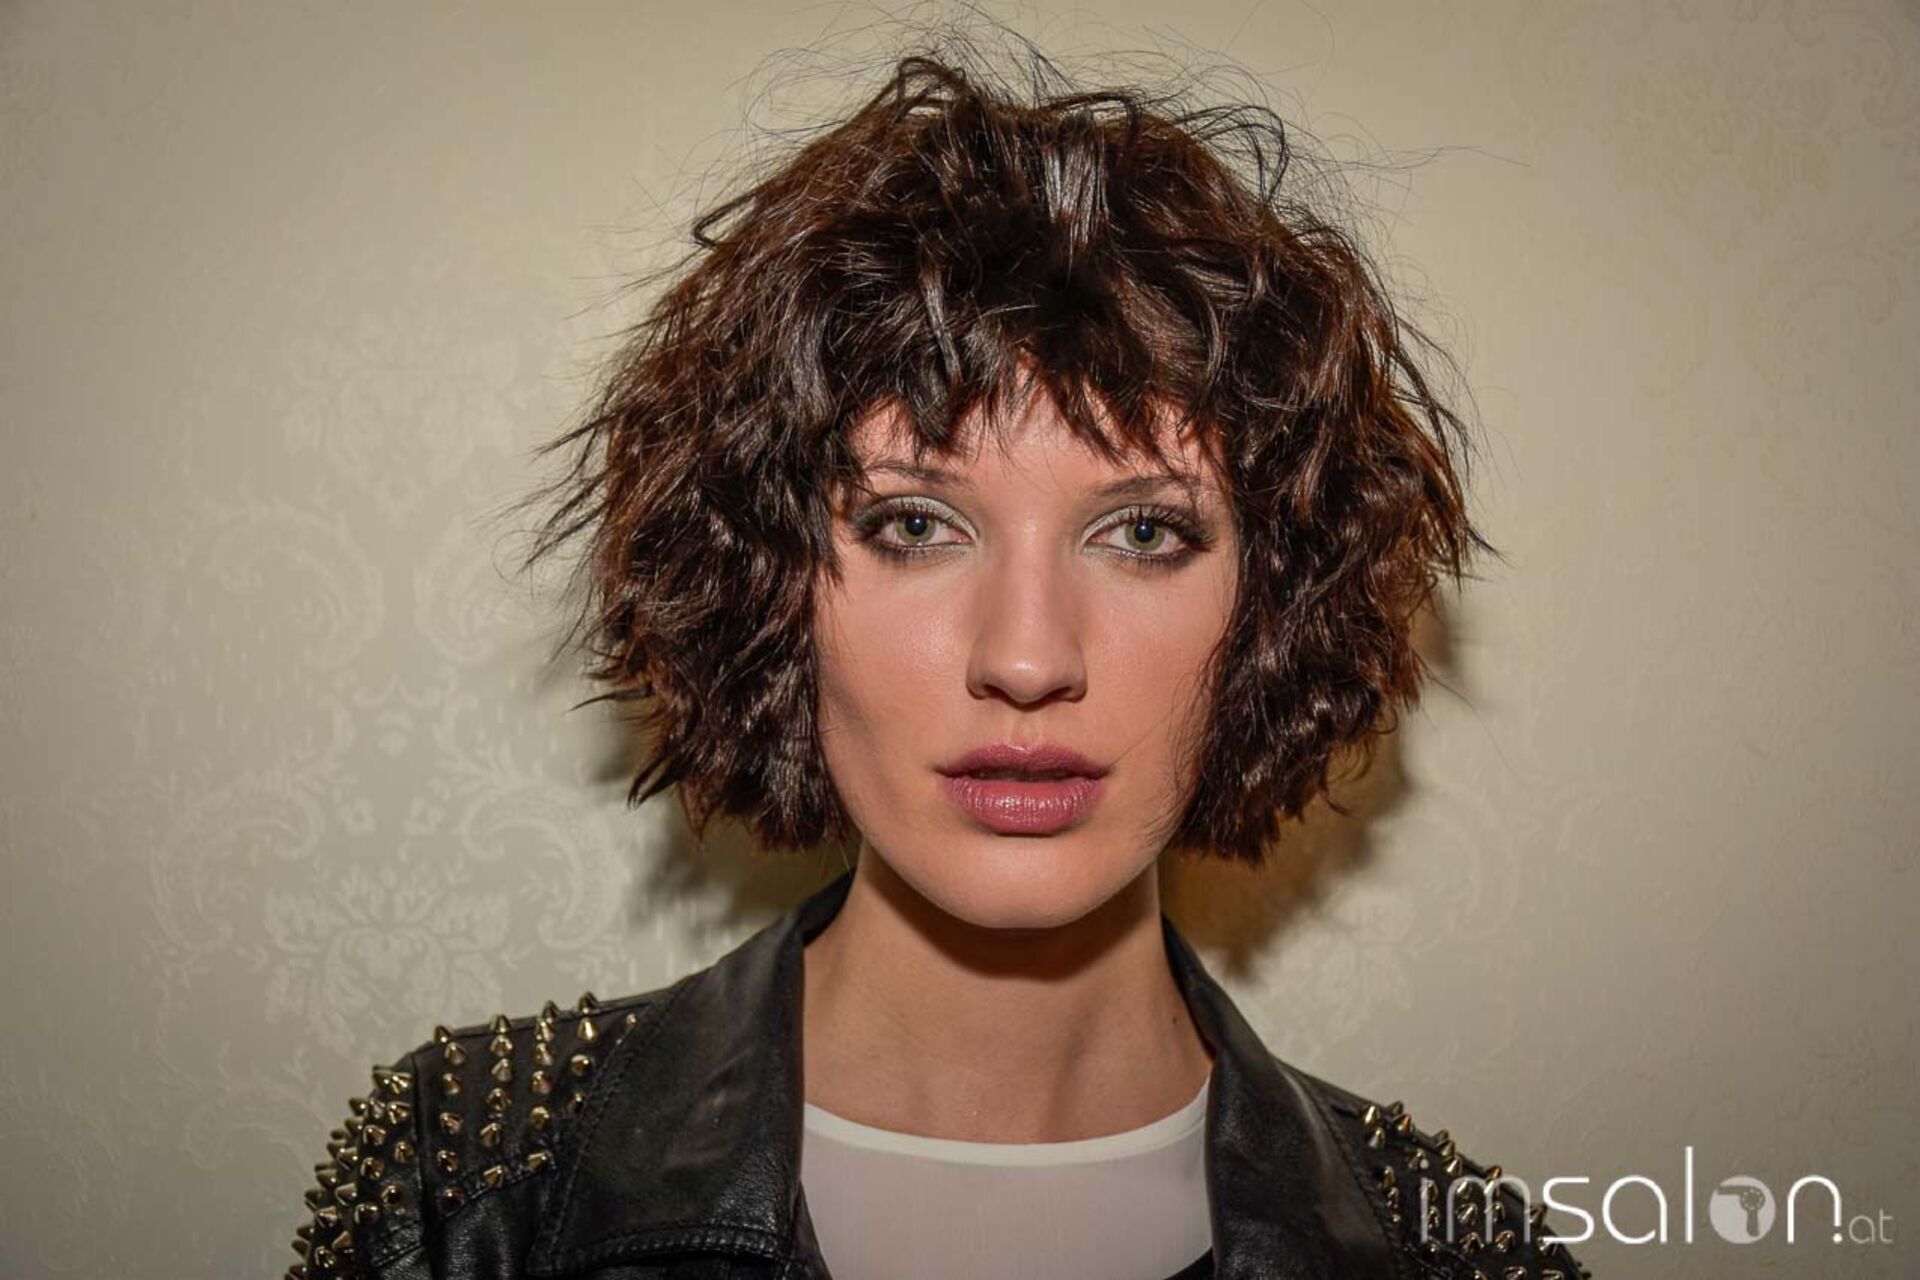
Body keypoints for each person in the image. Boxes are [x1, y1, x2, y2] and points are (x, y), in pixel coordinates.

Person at [282, 38, 1591, 1280]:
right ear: (768, 585)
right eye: (915, 525)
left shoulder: (1451, 1249)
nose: (1026, 659)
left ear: (1272, 609)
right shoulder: (464, 1188)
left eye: (1143, 532)